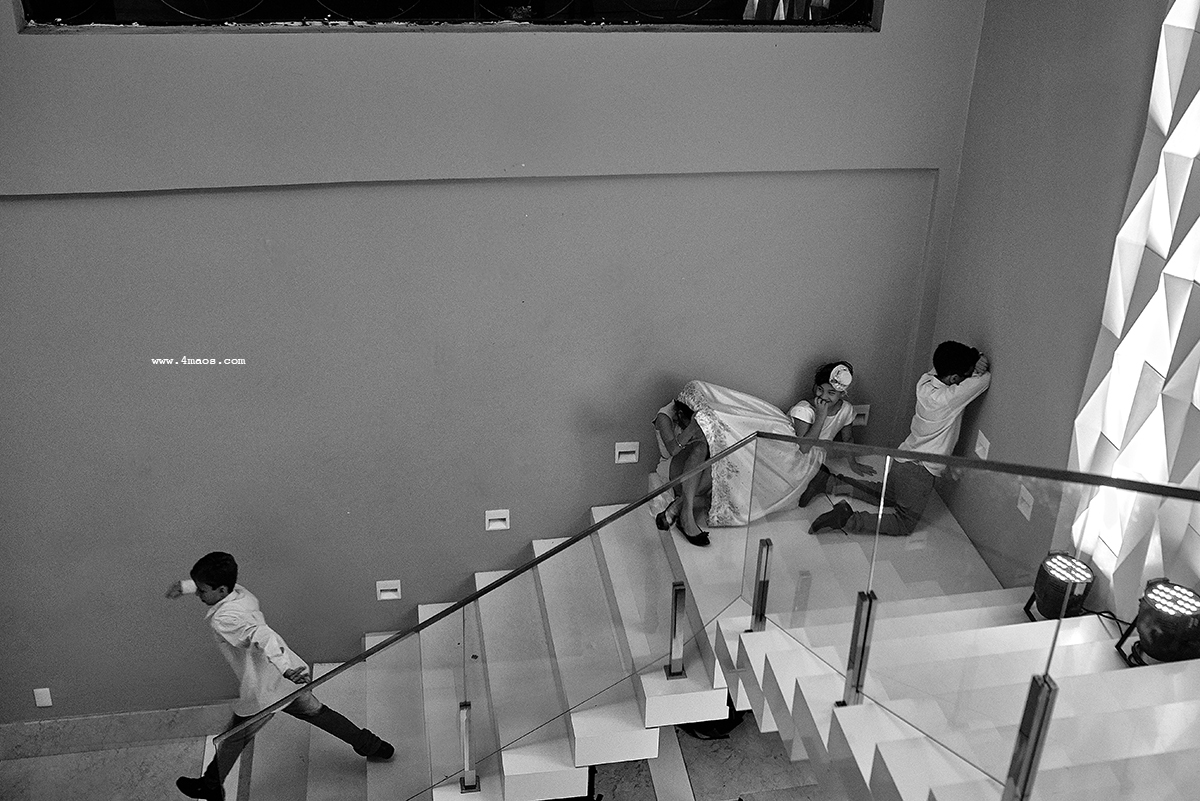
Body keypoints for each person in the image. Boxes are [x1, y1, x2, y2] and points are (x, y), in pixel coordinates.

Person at [168, 552, 393, 801]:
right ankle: (372, 745)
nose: (199, 595)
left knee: (233, 738)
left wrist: (285, 667)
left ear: (221, 591)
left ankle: (211, 786)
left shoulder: (225, 618)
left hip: (266, 689)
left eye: (202, 590)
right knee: (319, 713)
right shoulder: (241, 594)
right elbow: (238, 605)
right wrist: (185, 586)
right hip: (286, 683)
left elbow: (263, 636)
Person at [655, 361, 868, 546]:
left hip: (807, 463)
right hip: (780, 457)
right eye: (822, 390)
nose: (824, 397)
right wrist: (820, 416)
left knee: (727, 465)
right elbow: (803, 447)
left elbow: (846, 438)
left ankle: (679, 507)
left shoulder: (846, 409)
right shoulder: (805, 410)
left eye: (832, 393)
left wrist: (854, 462)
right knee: (724, 459)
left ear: (842, 394)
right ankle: (682, 511)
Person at [809, 341, 990, 536]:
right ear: (954, 378)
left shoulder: (925, 382)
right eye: (964, 376)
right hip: (920, 471)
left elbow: (943, 365)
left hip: (902, 458)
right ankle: (848, 520)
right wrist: (980, 363)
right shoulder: (948, 399)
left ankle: (828, 483)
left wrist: (973, 359)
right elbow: (983, 381)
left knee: (884, 494)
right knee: (904, 523)